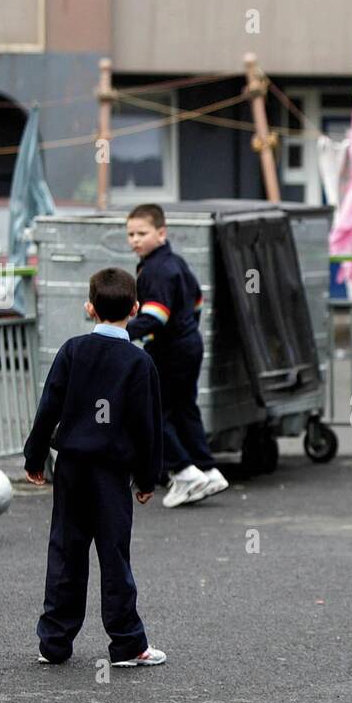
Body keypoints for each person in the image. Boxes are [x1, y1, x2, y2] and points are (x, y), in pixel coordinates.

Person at [24, 268, 167, 667]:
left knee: (66, 553)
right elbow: (148, 426)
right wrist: (147, 477)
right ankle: (126, 643)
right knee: (114, 556)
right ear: (136, 309)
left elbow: (48, 407)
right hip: (112, 473)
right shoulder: (139, 363)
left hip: (71, 467)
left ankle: (53, 643)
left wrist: (35, 457)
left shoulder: (72, 350)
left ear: (89, 307)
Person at [124, 203, 228, 507]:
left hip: (168, 349)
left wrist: (119, 331)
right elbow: (197, 300)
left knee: (154, 413)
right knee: (184, 408)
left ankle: (184, 472)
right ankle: (207, 469)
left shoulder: (154, 270)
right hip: (188, 344)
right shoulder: (176, 262)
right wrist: (186, 330)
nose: (135, 240)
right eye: (130, 234)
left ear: (161, 232)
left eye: (141, 233)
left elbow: (155, 316)